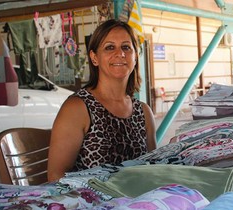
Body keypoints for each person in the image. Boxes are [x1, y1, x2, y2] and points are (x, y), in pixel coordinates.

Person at [48, 19, 157, 181]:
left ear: (135, 57)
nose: (119, 53)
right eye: (109, 47)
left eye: (126, 47)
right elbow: (56, 176)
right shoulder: (78, 108)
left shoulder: (144, 112)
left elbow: (154, 167)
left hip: (138, 201)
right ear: (94, 58)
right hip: (93, 202)